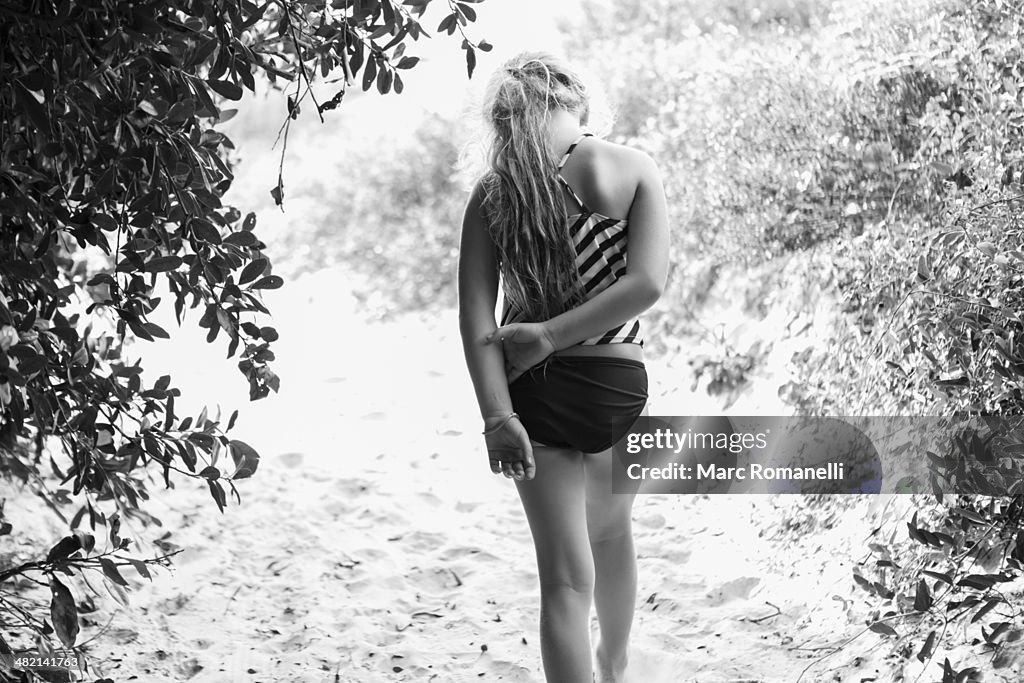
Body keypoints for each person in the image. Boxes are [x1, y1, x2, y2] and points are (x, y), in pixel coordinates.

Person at [457, 51, 669, 683]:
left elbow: (477, 320)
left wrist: (498, 417)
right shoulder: (631, 167)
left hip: (535, 396)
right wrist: (554, 335)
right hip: (616, 383)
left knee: (565, 583)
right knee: (611, 535)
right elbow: (646, 285)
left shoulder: (495, 193)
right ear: (575, 100)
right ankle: (615, 662)